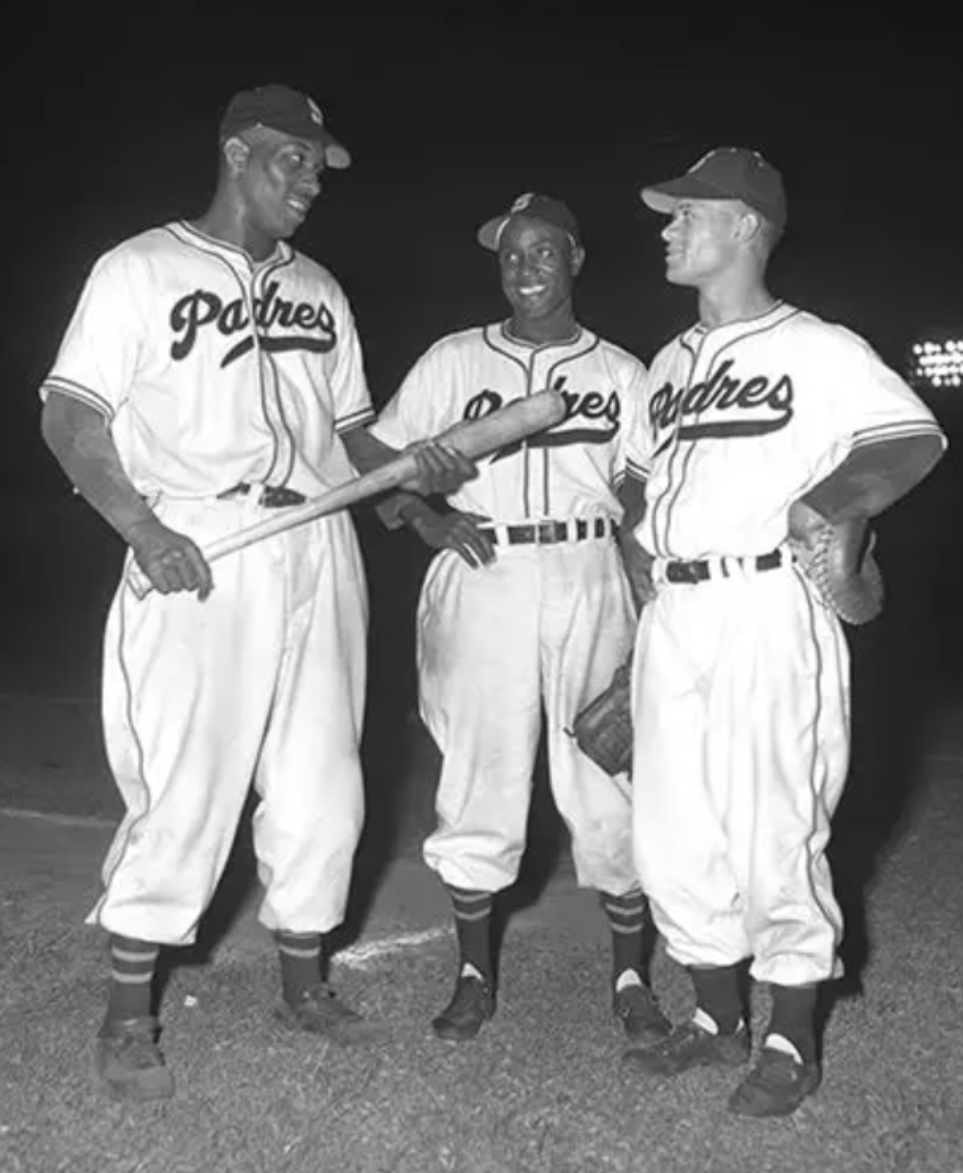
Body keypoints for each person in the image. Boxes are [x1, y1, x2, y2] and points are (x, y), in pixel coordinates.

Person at [39, 83, 475, 1102]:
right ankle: (128, 1018)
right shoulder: (139, 268)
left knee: (324, 780)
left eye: (320, 165)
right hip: (203, 537)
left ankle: (303, 985)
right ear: (237, 152)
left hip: (319, 539)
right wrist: (144, 529)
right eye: (293, 158)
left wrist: (414, 479)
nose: (312, 179)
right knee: (185, 780)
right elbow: (71, 416)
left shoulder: (320, 288)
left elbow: (352, 437)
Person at [619, 147, 946, 1116]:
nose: (668, 227)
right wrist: (639, 566)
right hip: (674, 609)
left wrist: (829, 504)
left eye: (687, 213)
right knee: (670, 827)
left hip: (765, 601)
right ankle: (715, 1014)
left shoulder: (816, 346)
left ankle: (790, 1035)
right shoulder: (667, 363)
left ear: (746, 227)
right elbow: (634, 479)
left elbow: (911, 434)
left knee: (774, 822)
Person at [369, 192, 670, 1045]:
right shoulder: (453, 359)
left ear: (575, 259)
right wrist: (423, 515)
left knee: (608, 774)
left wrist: (647, 584)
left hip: (587, 567)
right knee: (480, 773)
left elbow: (641, 487)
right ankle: (473, 973)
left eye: (542, 250)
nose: (524, 266)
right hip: (484, 565)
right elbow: (376, 456)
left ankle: (629, 975)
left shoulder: (621, 371)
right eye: (509, 253)